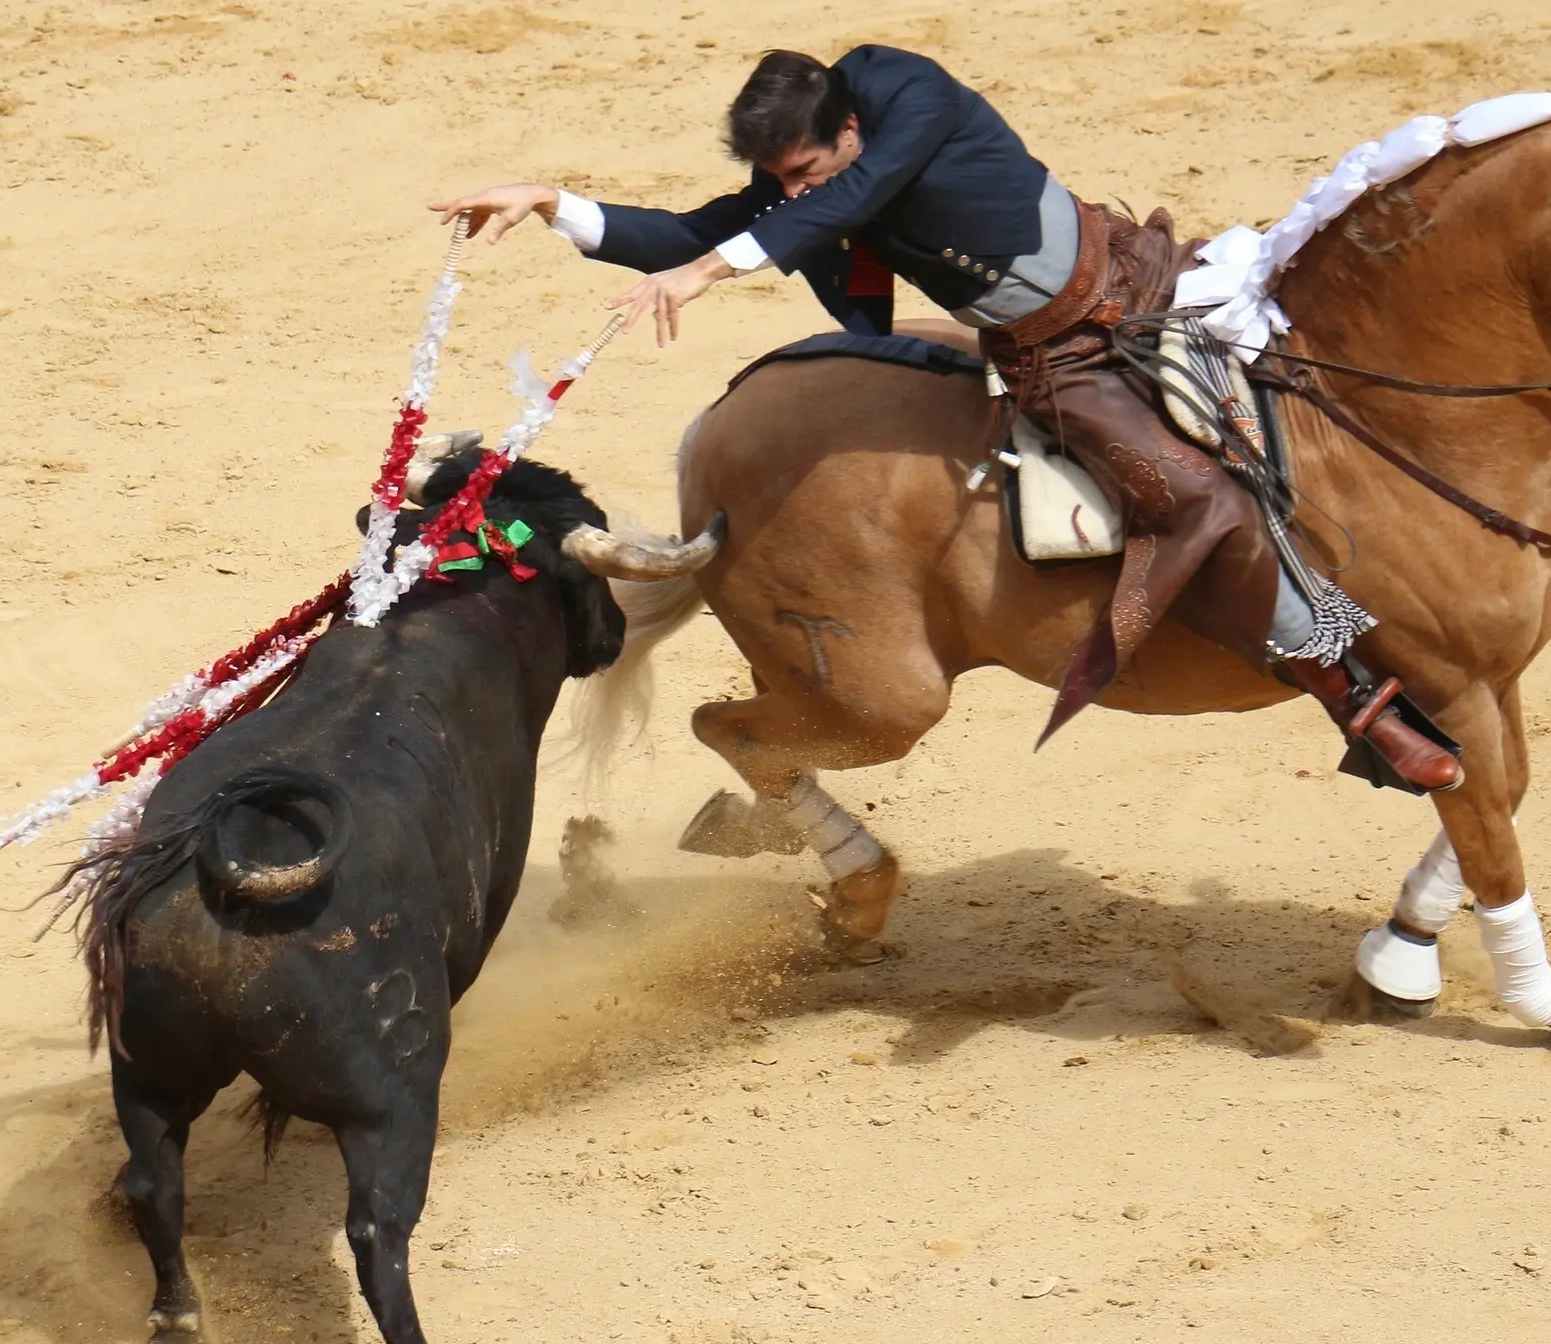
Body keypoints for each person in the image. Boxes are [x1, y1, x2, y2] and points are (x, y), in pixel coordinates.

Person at [430, 47, 1460, 791]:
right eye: (779, 179)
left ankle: (1354, 641)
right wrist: (556, 203)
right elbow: (707, 225)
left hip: (1133, 284)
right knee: (1192, 496)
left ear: (846, 129)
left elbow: (844, 201)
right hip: (1058, 355)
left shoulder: (903, 95)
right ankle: (1355, 697)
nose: (792, 190)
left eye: (803, 170)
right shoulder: (817, 166)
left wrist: (713, 270)